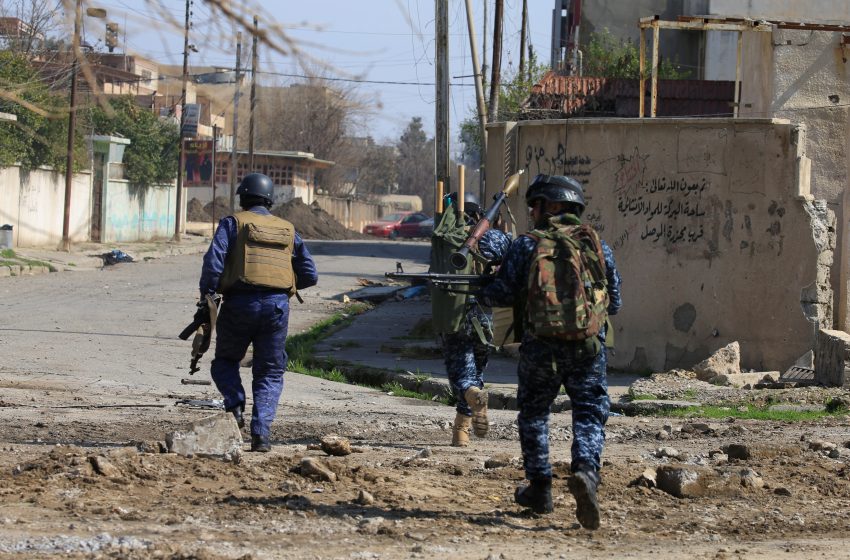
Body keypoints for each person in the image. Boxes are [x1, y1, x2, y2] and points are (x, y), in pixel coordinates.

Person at [479, 174, 621, 530]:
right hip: (588, 348)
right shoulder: (597, 245)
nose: (531, 212)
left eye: (534, 205)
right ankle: (587, 471)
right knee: (589, 411)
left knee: (534, 413)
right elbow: (614, 303)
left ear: (549, 206)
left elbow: (501, 295)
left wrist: (485, 285)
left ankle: (540, 488)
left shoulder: (526, 246)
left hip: (541, 348)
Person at [199, 173, 318, 452]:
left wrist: (207, 295)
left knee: (225, 361)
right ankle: (261, 435)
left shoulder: (233, 223)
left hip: (239, 303)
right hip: (277, 308)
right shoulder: (289, 230)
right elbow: (310, 274)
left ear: (242, 198)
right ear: (269, 200)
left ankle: (235, 405)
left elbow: (213, 263)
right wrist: (281, 284)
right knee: (270, 372)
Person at [432, 191, 511, 447]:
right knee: (475, 369)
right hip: (485, 317)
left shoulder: (449, 238)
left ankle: (473, 397)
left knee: (461, 374)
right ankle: (461, 433)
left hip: (455, 314)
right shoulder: (497, 238)